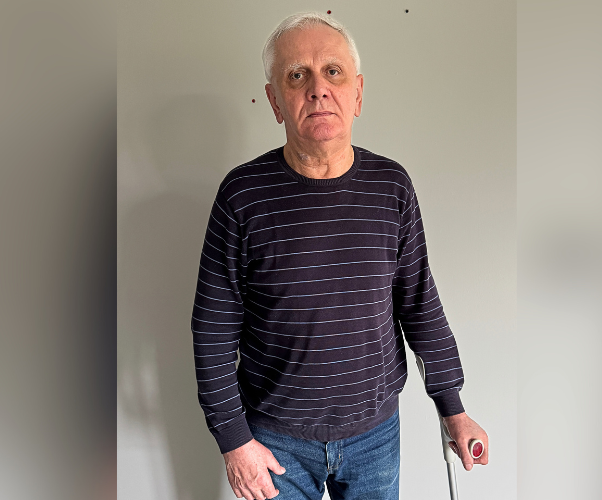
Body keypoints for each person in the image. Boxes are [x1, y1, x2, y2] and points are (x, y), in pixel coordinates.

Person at [191, 11, 488, 500]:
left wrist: (453, 407)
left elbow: (419, 304)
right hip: (274, 442)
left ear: (358, 93)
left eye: (333, 71)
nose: (318, 89)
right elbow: (212, 329)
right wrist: (234, 441)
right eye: (296, 75)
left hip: (375, 437)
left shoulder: (392, 186)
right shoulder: (241, 196)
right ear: (274, 100)